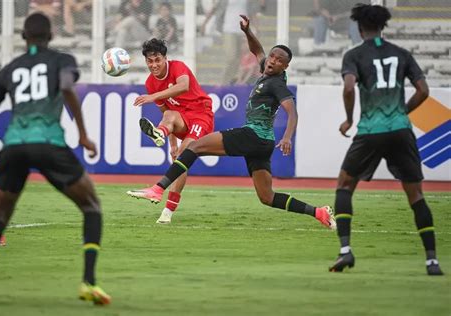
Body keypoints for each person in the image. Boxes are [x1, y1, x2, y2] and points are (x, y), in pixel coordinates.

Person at [127, 16, 336, 230]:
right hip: (263, 144)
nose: (272, 61)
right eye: (272, 56)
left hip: (254, 135)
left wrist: (287, 137)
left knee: (193, 147)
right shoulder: (267, 69)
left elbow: (292, 112)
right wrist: (247, 32)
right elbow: (258, 51)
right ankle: (318, 212)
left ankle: (158, 188)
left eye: (278, 60)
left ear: (286, 66)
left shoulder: (276, 84)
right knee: (267, 197)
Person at [0, 13, 111, 306]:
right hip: (48, 143)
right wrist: (84, 135)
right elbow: (66, 87)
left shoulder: (9, 69)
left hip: (13, 146)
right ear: (50, 36)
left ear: (23, 38)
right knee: (91, 206)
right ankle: (89, 282)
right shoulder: (62, 60)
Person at [328, 4, 444, 276]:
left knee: (345, 185)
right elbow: (423, 91)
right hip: (401, 129)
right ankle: (431, 261)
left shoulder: (354, 55)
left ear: (359, 28)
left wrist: (349, 118)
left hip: (370, 129)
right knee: (415, 195)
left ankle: (345, 251)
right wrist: (402, 111)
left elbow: (348, 87)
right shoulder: (402, 54)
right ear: (383, 27)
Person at [126, 38, 214, 224]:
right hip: (179, 119)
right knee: (171, 118)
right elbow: (167, 113)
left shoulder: (177, 67)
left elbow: (184, 86)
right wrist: (172, 144)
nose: (154, 64)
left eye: (157, 59)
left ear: (165, 58)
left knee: (183, 158)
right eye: (150, 61)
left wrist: (152, 97)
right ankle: (160, 133)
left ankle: (167, 212)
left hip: (201, 115)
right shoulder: (151, 83)